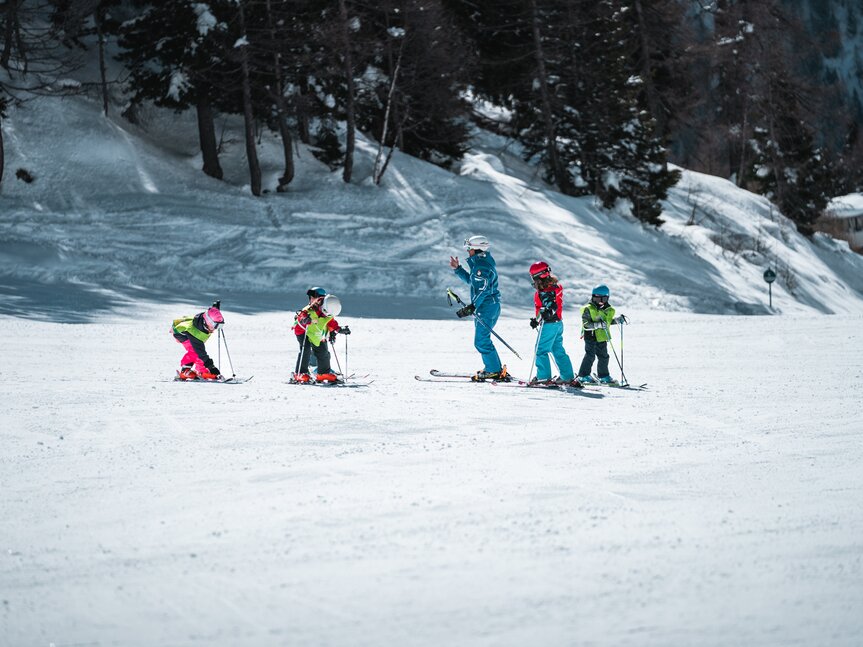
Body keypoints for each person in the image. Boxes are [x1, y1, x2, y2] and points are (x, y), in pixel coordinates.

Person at [449, 234, 508, 381]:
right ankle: (495, 368)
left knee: (481, 341)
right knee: (483, 339)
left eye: (469, 249)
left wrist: (473, 306)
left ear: (476, 249)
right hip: (487, 306)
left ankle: (493, 370)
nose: (468, 252)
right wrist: (458, 269)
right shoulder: (481, 264)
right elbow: (473, 281)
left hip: (487, 307)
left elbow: (483, 290)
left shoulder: (481, 267)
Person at [527, 262, 580, 387]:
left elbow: (551, 306)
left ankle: (543, 377)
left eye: (533, 277)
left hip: (550, 324)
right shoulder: (554, 287)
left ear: (539, 276)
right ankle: (567, 376)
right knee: (557, 349)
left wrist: (547, 313)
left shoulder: (546, 291)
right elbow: (545, 308)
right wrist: (537, 319)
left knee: (541, 350)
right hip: (558, 323)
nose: (533, 281)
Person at [292, 293, 351, 383]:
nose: (327, 316)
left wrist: (339, 329)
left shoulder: (329, 312)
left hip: (316, 332)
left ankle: (323, 373)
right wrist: (304, 319)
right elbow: (301, 315)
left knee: (323, 351)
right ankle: (300, 373)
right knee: (306, 350)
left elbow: (331, 322)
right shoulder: (310, 309)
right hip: (303, 330)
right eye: (327, 313)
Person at [577, 285, 627, 384]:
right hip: (590, 335)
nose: (600, 301)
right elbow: (586, 325)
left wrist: (617, 320)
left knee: (604, 357)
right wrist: (598, 324)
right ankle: (583, 376)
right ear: (593, 297)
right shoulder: (588, 309)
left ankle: (604, 376)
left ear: (607, 298)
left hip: (602, 336)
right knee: (590, 356)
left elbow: (607, 322)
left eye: (603, 299)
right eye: (597, 298)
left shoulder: (608, 309)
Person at [171, 301, 224, 380]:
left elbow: (210, 313)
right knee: (195, 351)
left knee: (198, 353)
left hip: (191, 330)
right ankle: (185, 371)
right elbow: (200, 352)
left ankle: (202, 371)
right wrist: (211, 367)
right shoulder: (195, 333)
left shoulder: (206, 322)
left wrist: (215, 309)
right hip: (181, 333)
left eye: (219, 326)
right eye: (215, 326)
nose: (215, 329)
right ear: (207, 322)